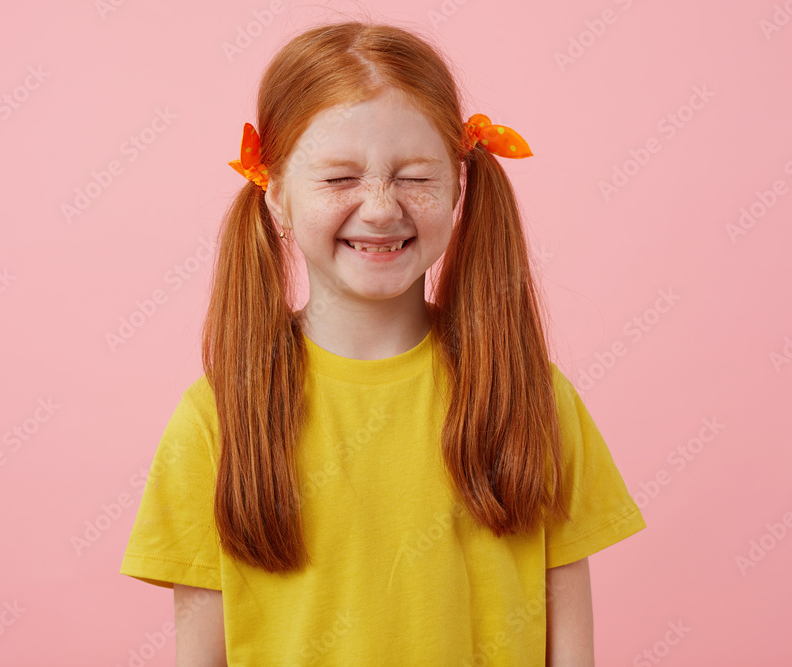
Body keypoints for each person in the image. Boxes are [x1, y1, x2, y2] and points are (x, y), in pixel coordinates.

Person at [120, 20, 645, 666]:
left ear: (457, 185)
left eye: (414, 177)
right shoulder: (215, 420)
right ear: (277, 194)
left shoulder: (529, 395)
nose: (379, 207)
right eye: (340, 179)